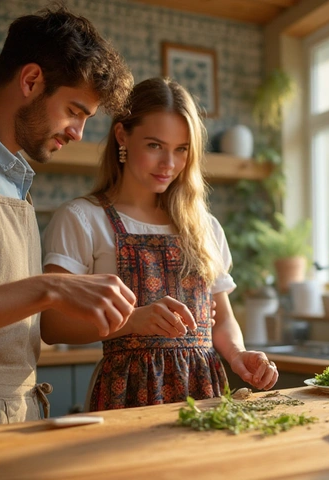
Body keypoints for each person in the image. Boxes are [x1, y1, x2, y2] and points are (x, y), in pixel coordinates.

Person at [41, 77, 278, 411]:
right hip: (126, 396)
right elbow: (52, 326)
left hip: (205, 395)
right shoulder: (82, 218)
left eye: (181, 150)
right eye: (155, 146)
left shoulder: (203, 226)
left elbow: (221, 319)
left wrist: (238, 354)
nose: (169, 164)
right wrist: (131, 321)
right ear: (122, 135)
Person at [0, 4, 136, 428]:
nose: (78, 132)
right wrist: (50, 287)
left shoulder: (12, 179)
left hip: (9, 420)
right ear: (31, 80)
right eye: (74, 111)